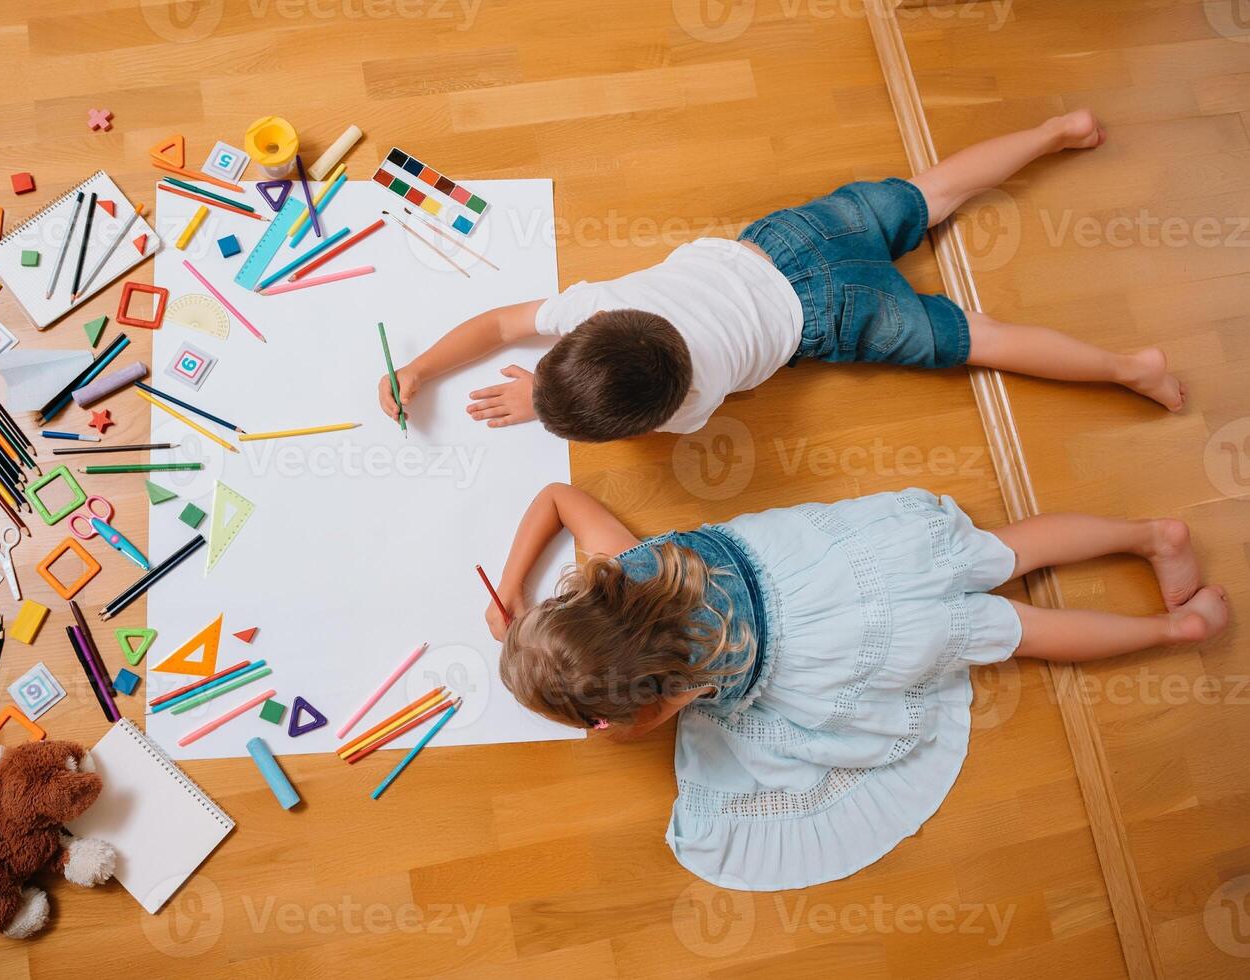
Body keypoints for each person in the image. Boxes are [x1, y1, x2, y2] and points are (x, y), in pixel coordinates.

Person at [488, 482, 1227, 889]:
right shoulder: (636, 562)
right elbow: (556, 493)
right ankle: (1149, 534)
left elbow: (644, 723)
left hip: (843, 647)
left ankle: (1173, 632)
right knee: (1002, 551)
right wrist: (512, 593)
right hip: (848, 562)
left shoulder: (671, 688)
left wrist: (618, 723)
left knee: (1015, 631)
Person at [378, 110, 1183, 442]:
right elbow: (498, 325)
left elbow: (662, 411)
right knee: (933, 191)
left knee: (979, 341)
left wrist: (522, 400)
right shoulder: (596, 303)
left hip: (841, 318)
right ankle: (1057, 129)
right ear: (586, 331)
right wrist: (417, 367)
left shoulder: (688, 410)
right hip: (790, 243)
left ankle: (1128, 369)